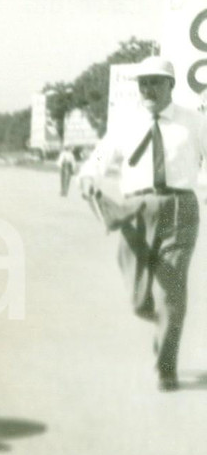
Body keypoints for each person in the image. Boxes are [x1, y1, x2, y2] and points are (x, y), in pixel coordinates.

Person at [78, 56, 207, 391]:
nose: (148, 89)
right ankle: (162, 324)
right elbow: (98, 159)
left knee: (171, 290)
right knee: (139, 300)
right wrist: (90, 178)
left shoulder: (193, 122)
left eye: (155, 82)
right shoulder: (126, 124)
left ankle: (167, 366)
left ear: (171, 85)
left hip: (180, 209)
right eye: (143, 83)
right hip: (134, 211)